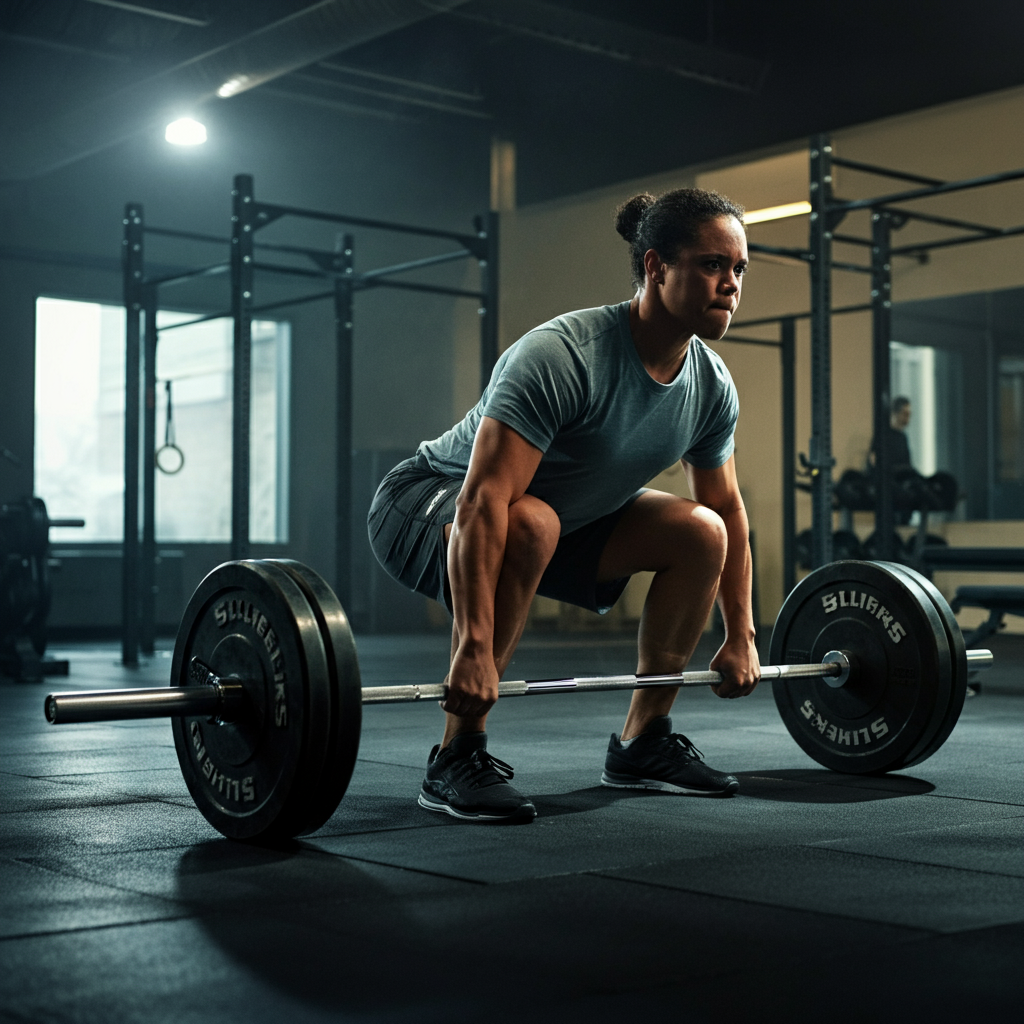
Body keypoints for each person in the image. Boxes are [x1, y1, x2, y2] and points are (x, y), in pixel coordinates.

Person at [368, 188, 761, 823]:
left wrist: (742, 632)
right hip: (425, 503)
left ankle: (643, 741)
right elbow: (485, 497)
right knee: (529, 519)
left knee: (702, 530)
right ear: (657, 266)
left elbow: (732, 511)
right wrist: (471, 645)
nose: (731, 284)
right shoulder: (565, 354)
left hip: (552, 523)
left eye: (739, 269)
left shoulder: (710, 386)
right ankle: (456, 754)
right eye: (713, 264)